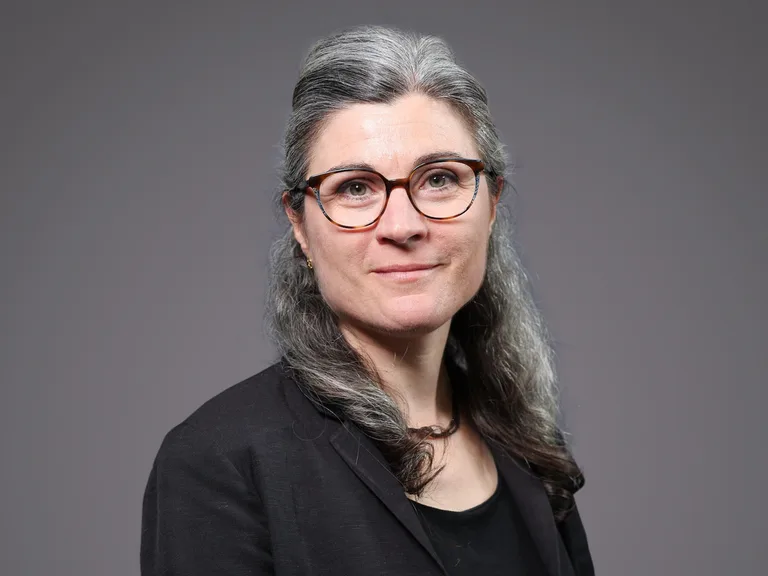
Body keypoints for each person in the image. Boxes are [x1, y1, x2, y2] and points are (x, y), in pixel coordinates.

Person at [140, 25, 595, 576]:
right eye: (355, 187)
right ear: (300, 224)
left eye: (440, 178)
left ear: (492, 203)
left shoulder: (529, 444)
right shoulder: (221, 460)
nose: (402, 226)